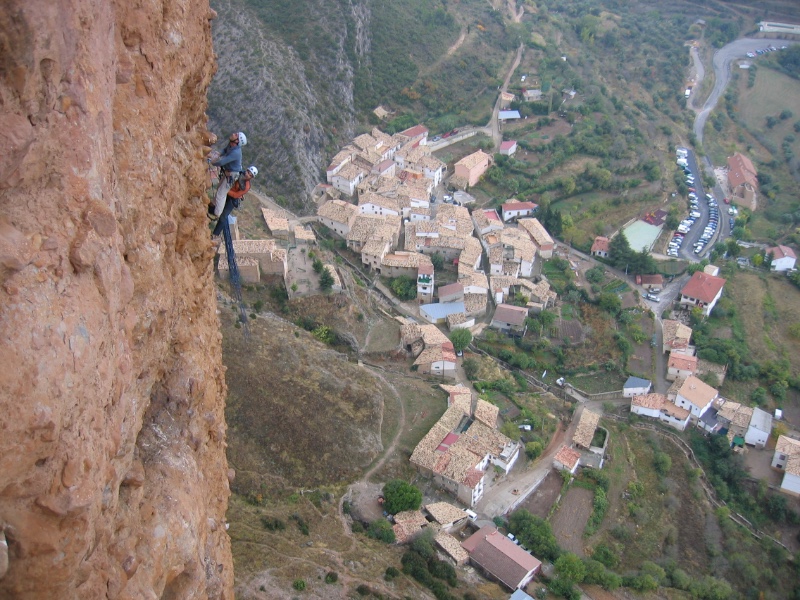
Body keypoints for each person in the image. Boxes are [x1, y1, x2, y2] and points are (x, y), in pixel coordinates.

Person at [212, 166, 257, 239]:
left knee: (223, 216)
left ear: (251, 177)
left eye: (250, 175)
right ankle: (208, 215)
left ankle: (215, 234)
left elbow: (236, 195)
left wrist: (225, 189)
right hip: (227, 191)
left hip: (232, 198)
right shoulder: (238, 173)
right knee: (215, 205)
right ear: (246, 170)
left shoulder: (246, 186)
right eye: (248, 172)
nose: (248, 175)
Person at [209, 131, 247, 219]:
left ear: (237, 141)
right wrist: (219, 153)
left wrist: (212, 162)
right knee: (219, 188)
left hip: (232, 174)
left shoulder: (236, 152)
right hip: (229, 171)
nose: (233, 134)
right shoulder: (231, 145)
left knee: (221, 193)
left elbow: (222, 161)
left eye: (236, 135)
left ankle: (216, 214)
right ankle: (212, 206)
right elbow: (225, 150)